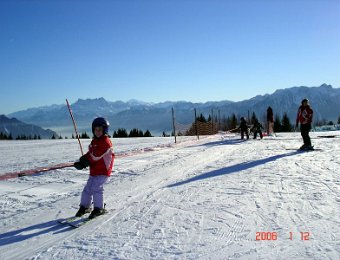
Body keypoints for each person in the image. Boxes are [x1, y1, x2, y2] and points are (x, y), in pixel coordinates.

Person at [74, 117, 115, 219]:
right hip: (94, 171)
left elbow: (96, 155)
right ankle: (85, 207)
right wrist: (82, 160)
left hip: (103, 171)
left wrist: (86, 161)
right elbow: (91, 153)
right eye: (96, 130)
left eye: (100, 130)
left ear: (105, 130)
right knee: (87, 189)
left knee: (96, 188)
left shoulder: (106, 142)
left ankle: (98, 208)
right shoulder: (95, 141)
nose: (97, 132)